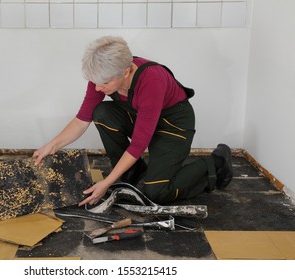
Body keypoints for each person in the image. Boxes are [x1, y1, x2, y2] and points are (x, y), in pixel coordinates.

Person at [33, 36, 233, 207]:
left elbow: (139, 144)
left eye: (105, 83)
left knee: (156, 192)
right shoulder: (102, 76)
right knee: (101, 112)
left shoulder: (152, 80)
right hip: (142, 118)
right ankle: (133, 172)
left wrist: (107, 183)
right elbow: (82, 119)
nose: (98, 88)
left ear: (126, 72)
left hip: (172, 125)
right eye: (95, 82)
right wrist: (50, 146)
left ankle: (216, 164)